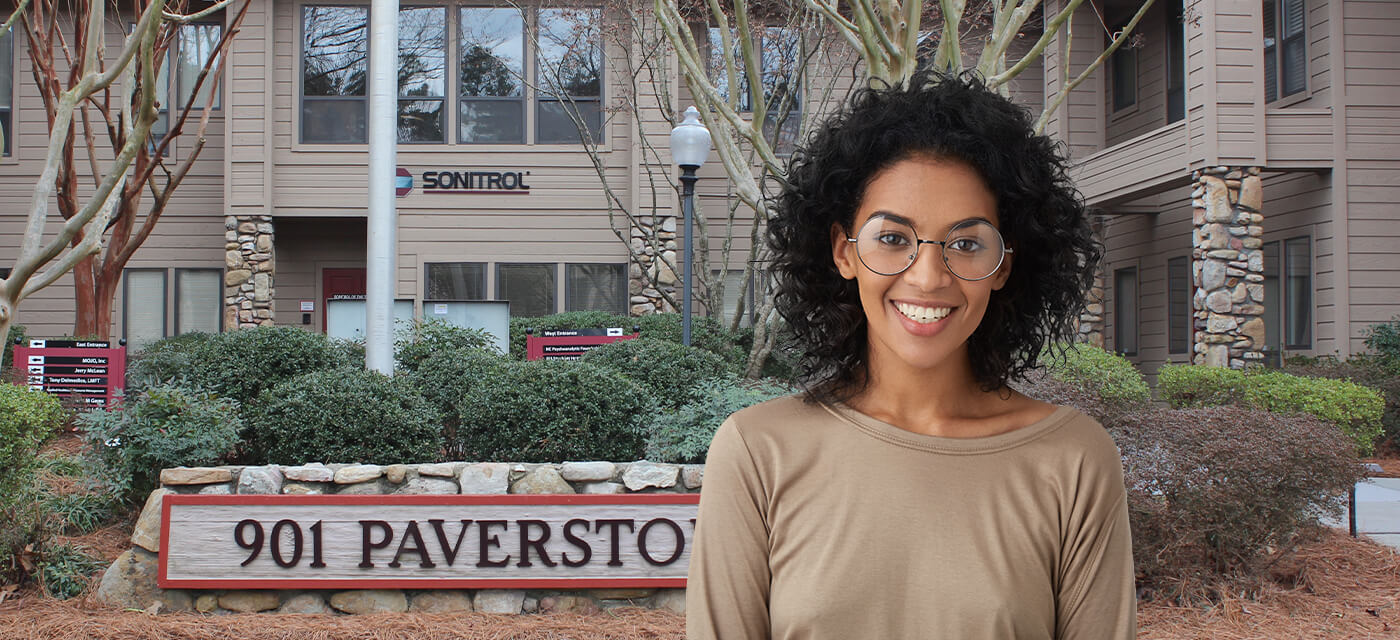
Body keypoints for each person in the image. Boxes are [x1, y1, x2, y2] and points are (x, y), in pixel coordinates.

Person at [685, 72, 1136, 639]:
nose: (928, 277)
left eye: (967, 243)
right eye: (893, 238)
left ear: (1005, 266)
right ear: (843, 252)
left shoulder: (1072, 459)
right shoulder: (758, 453)